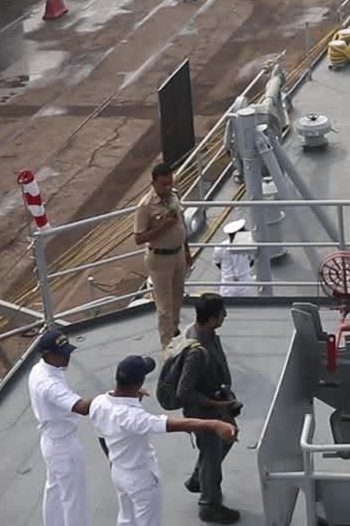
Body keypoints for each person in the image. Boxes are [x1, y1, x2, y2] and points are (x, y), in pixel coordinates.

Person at [90, 355, 236, 526]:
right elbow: (171, 424)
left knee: (126, 519)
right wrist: (215, 424)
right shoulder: (133, 417)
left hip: (118, 472)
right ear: (139, 382)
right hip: (140, 479)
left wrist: (115, 461)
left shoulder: (99, 403)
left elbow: (102, 436)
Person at [178, 295, 243, 523]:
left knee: (226, 439)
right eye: (222, 313)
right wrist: (217, 405)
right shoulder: (197, 350)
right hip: (203, 413)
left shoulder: (209, 336)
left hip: (216, 404)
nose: (225, 316)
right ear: (212, 317)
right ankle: (209, 505)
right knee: (212, 454)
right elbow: (183, 392)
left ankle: (198, 478)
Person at [27, 329, 92, 526]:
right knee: (75, 499)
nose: (67, 357)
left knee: (54, 491)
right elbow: (81, 407)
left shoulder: (41, 369)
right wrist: (115, 396)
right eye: (62, 354)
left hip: (51, 442)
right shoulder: (48, 384)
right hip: (64, 445)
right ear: (47, 354)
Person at [132, 163, 188, 348]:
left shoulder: (175, 195)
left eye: (170, 183)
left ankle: (174, 332)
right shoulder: (145, 206)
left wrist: (186, 250)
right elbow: (139, 239)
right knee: (164, 307)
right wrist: (163, 226)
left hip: (178, 254)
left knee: (178, 298)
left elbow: (182, 224)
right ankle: (167, 346)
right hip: (160, 259)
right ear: (153, 183)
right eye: (163, 184)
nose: (168, 188)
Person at [215, 220, 258, 300]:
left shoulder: (248, 245)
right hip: (228, 284)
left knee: (251, 304)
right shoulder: (220, 248)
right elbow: (217, 262)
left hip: (245, 281)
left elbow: (252, 261)